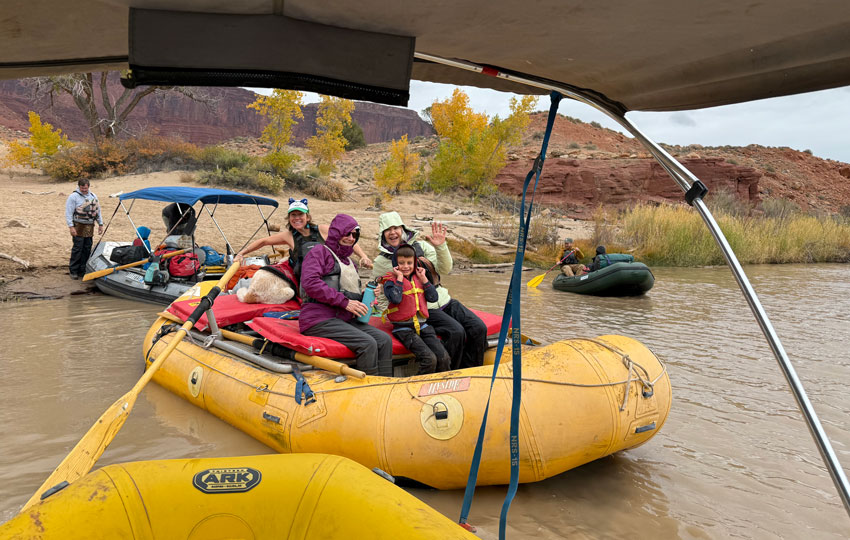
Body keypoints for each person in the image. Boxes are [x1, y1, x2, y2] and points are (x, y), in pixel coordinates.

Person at [371, 211, 487, 370]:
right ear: (382, 235)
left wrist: (441, 247)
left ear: (402, 229)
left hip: (443, 299)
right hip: (423, 308)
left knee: (479, 327)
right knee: (456, 332)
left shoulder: (423, 247)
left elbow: (445, 269)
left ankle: (473, 369)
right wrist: (385, 313)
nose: (392, 232)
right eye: (387, 230)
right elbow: (379, 291)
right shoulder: (381, 261)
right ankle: (452, 372)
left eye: (396, 227)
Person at [299, 214, 393, 377]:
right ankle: (366, 390)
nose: (351, 238)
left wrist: (367, 296)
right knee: (367, 343)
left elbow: (349, 295)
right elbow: (310, 283)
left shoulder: (351, 263)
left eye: (354, 235)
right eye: (347, 233)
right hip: (318, 319)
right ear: (336, 232)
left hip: (343, 318)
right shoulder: (318, 253)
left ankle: (385, 384)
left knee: (384, 340)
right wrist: (345, 302)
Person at [236, 197, 372, 277]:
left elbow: (349, 239)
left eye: (300, 215)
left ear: (307, 216)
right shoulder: (288, 236)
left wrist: (363, 256)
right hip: (307, 278)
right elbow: (264, 241)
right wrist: (242, 253)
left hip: (330, 273)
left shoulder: (323, 230)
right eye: (293, 215)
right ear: (289, 218)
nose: (297, 218)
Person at [380, 244, 451, 374]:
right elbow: (396, 299)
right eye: (401, 263)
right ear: (396, 264)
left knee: (444, 357)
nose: (406, 266)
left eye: (409, 263)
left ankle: (441, 383)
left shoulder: (420, 278)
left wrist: (424, 279)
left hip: (423, 326)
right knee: (429, 359)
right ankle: (419, 386)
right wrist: (400, 279)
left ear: (415, 263)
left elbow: (433, 298)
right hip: (404, 329)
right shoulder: (391, 280)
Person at [65, 179, 103, 279]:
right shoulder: (73, 197)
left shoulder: (93, 196)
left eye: (86, 188)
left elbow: (98, 211)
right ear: (79, 187)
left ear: (88, 187)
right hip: (78, 226)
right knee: (78, 248)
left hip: (90, 227)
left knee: (87, 248)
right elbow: (68, 212)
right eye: (82, 188)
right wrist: (71, 227)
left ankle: (83, 270)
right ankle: (73, 271)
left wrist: (100, 224)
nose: (84, 190)